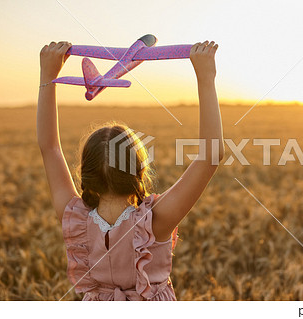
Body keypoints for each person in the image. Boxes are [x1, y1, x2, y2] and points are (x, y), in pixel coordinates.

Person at [37, 40, 224, 300]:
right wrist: (206, 76)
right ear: (139, 170)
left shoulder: (76, 218)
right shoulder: (155, 222)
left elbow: (50, 149)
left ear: (86, 174)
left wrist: (48, 77)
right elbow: (210, 157)